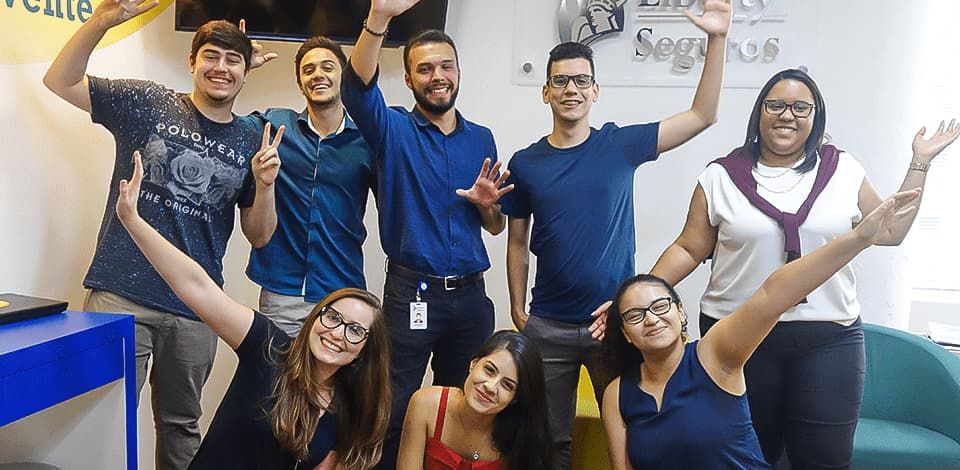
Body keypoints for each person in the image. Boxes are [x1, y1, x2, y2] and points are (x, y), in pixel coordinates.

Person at [649, 67, 960, 468]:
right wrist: (639, 295)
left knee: (824, 459)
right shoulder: (720, 176)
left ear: (816, 116)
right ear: (759, 112)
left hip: (828, 339)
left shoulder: (844, 170)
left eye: (800, 107)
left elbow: (890, 231)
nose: (787, 115)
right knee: (744, 456)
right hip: (737, 338)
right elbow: (689, 247)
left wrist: (921, 161)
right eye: (775, 105)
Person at [42, 2, 280, 467]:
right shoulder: (149, 102)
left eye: (233, 60)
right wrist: (103, 20)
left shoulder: (254, 138)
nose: (221, 68)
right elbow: (60, 81)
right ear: (192, 62)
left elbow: (260, 235)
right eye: (211, 55)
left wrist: (266, 185)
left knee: (181, 428)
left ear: (246, 72)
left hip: (196, 308)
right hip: (121, 294)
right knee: (100, 417)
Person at [499, 1, 731, 465]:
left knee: (631, 429)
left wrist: (717, 38)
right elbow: (517, 242)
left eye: (581, 80)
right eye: (561, 80)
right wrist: (517, 307)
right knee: (549, 439)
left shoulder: (620, 144)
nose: (571, 89)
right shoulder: (525, 163)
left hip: (615, 324)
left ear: (595, 90)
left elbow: (702, 115)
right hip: (548, 324)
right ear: (546, 91)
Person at [602, 189, 921, 469]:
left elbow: (773, 293)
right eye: (635, 314)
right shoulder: (618, 393)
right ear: (626, 332)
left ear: (680, 312)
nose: (652, 318)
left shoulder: (712, 356)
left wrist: (858, 238)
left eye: (661, 306)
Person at [116, 152, 391, 469]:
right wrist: (133, 221)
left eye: (355, 330)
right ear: (316, 317)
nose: (336, 333)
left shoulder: (349, 409)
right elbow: (197, 287)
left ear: (365, 350)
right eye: (332, 316)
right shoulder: (269, 347)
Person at [341, 1, 514, 466]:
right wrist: (378, 18)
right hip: (411, 292)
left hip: (471, 298)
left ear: (458, 71)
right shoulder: (392, 128)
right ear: (411, 78)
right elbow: (356, 88)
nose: (437, 76)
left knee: (467, 405)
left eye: (446, 66)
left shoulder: (482, 138)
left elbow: (495, 226)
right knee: (392, 405)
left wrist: (487, 207)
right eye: (425, 69)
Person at [239, 32, 376, 336]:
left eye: (328, 67)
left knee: (336, 384)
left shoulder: (368, 141)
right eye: (308, 70)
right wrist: (241, 68)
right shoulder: (273, 126)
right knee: (278, 381)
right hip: (282, 293)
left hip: (342, 289)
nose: (318, 75)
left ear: (344, 77)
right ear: (301, 84)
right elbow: (223, 122)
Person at [396, 331, 554, 470]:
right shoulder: (426, 404)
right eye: (489, 370)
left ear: (515, 398)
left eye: (507, 385)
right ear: (474, 364)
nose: (490, 387)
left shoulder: (520, 433)